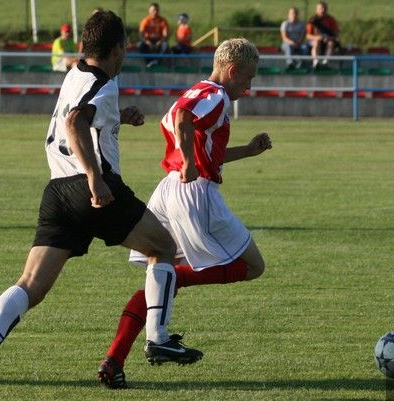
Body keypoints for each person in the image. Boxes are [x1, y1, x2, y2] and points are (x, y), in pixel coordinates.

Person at [0, 10, 201, 401]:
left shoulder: (75, 73)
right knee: (163, 246)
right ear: (117, 48)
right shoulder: (103, 83)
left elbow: (83, 114)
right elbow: (74, 122)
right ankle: (157, 338)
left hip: (57, 192)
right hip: (92, 189)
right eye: (125, 48)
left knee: (31, 284)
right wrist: (94, 177)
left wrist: (117, 118)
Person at [97, 38, 272, 389]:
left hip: (168, 188)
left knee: (157, 280)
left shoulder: (198, 90)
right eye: (248, 78)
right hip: (195, 192)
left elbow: (198, 140)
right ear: (232, 70)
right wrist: (191, 162)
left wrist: (248, 151)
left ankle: (114, 360)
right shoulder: (217, 95)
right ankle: (176, 285)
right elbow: (182, 119)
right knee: (253, 266)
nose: (249, 87)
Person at [306, 2, 340, 69]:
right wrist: (317, 37)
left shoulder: (331, 19)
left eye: (324, 8)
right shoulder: (312, 20)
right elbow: (307, 35)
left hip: (328, 40)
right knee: (316, 42)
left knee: (331, 43)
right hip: (315, 40)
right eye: (320, 8)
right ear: (316, 10)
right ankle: (316, 62)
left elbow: (336, 34)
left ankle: (325, 62)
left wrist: (329, 38)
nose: (322, 10)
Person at [138, 2, 170, 67]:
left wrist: (160, 42)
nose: (155, 12)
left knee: (165, 45)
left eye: (157, 10)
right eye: (153, 10)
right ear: (149, 11)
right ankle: (149, 62)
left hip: (159, 41)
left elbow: (165, 35)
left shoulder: (163, 21)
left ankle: (157, 61)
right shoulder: (145, 20)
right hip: (148, 41)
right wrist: (147, 42)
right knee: (140, 45)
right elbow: (141, 34)